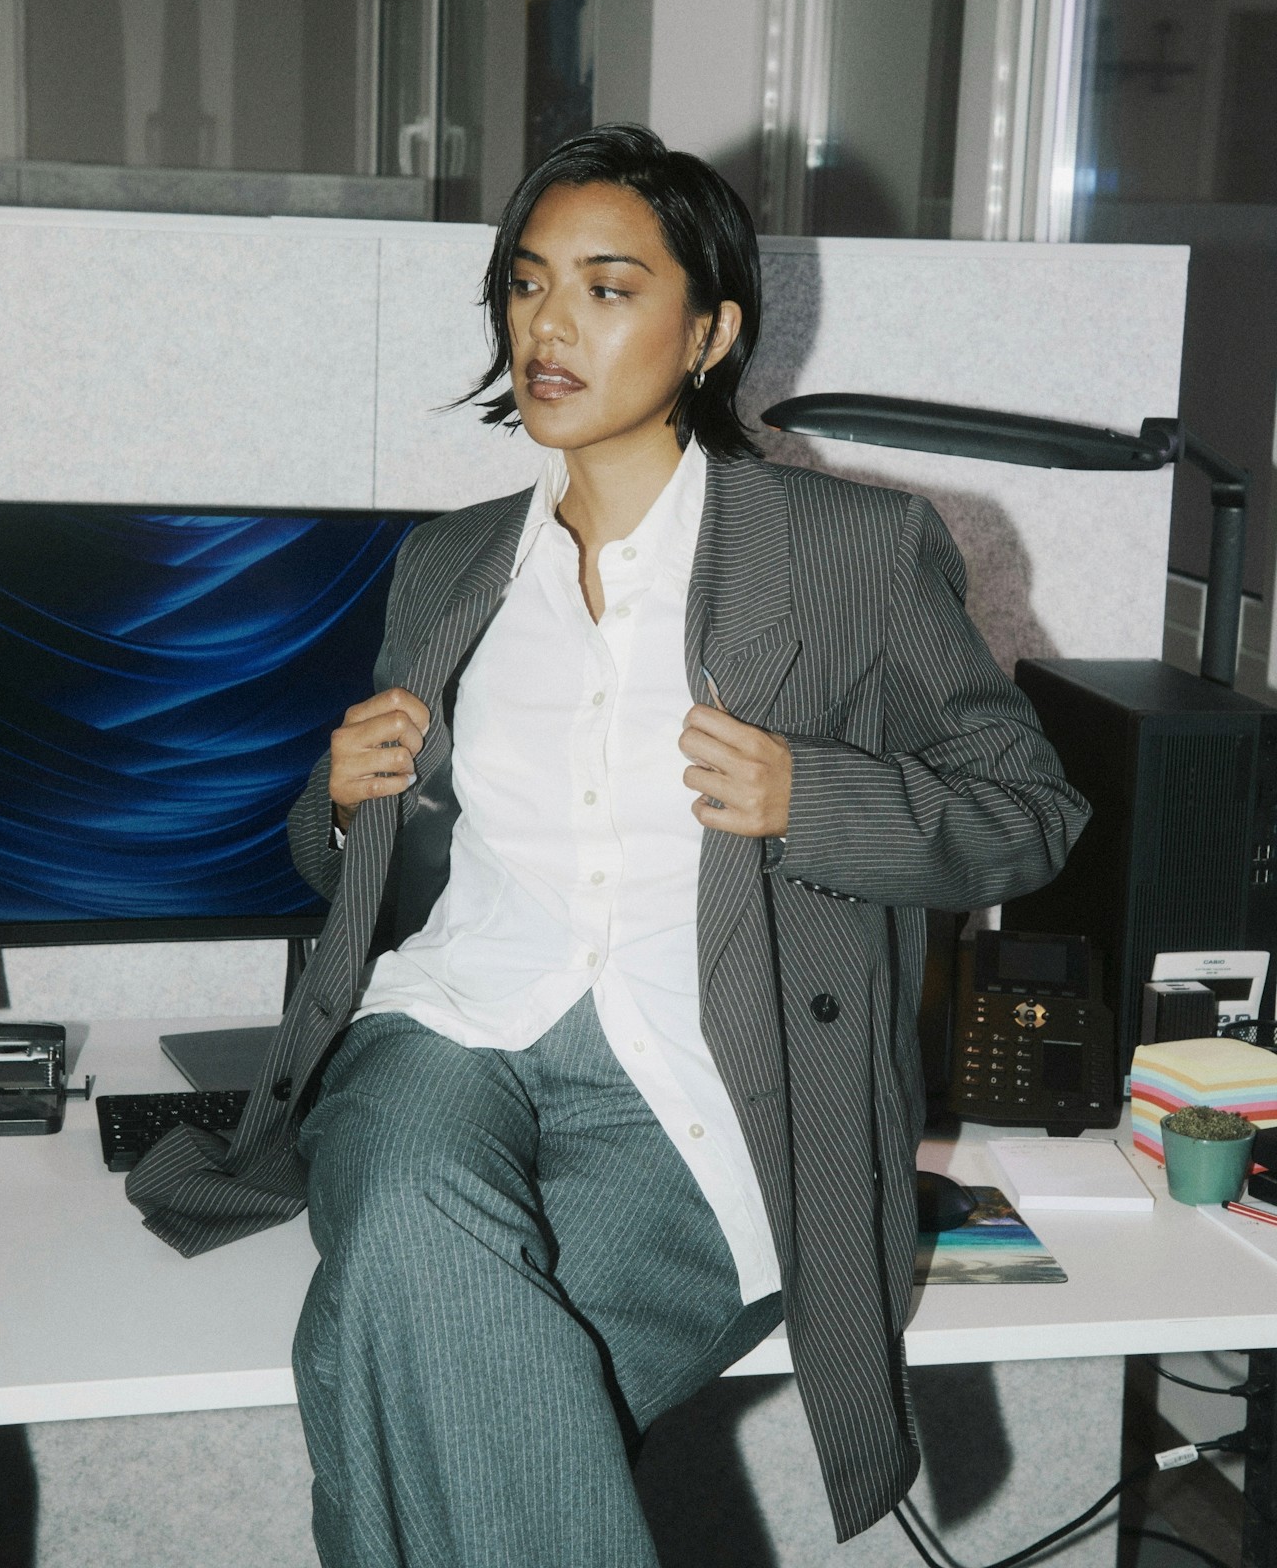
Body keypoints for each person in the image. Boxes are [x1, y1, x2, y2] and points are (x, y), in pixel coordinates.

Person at [128, 125, 1088, 1568]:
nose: (549, 326)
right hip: (445, 1033)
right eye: (526, 286)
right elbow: (347, 876)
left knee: (383, 1344)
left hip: (705, 1085)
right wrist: (334, 800)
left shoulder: (848, 553)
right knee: (410, 1202)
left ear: (710, 332)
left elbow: (1032, 816)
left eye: (607, 287)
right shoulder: (449, 562)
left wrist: (809, 797)